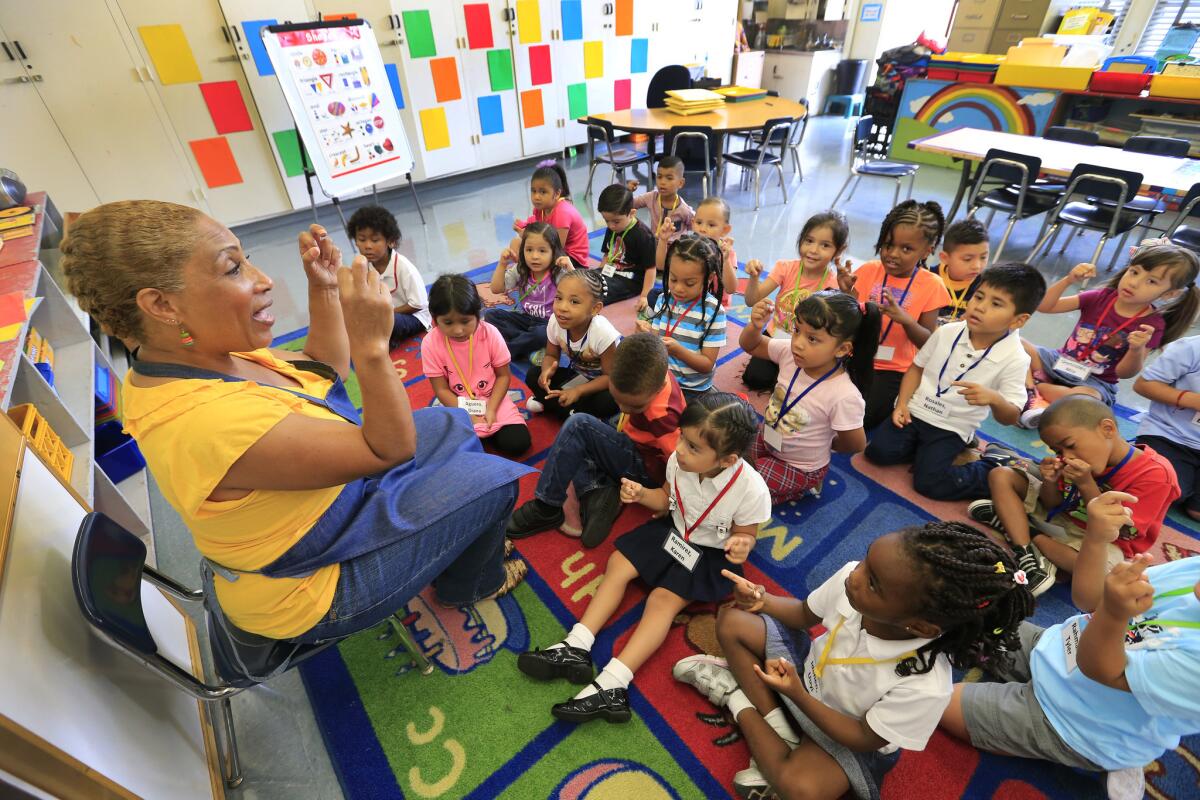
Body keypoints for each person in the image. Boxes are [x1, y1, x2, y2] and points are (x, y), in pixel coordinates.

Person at [62, 201, 530, 643]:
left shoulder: (200, 354)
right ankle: (469, 583)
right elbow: (388, 450)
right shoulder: (203, 419)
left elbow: (320, 369)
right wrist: (371, 346)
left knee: (450, 423)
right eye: (233, 268)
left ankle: (457, 529)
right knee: (493, 481)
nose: (263, 279)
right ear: (162, 305)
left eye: (245, 260)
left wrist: (324, 287)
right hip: (310, 587)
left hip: (331, 506)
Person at [674, 522, 1033, 799]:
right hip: (802, 675)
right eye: (865, 560)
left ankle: (738, 699)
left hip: (842, 732)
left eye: (873, 583)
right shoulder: (851, 579)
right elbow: (801, 614)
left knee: (802, 790)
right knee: (733, 621)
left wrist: (797, 695)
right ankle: (780, 733)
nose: (855, 575)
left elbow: (862, 738)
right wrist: (762, 600)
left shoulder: (926, 685)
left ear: (921, 625)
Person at [518, 394, 771, 725]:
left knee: (662, 600)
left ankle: (614, 683)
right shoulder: (678, 462)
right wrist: (641, 494)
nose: (680, 448)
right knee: (618, 564)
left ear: (727, 460)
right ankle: (576, 645)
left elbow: (746, 534)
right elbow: (665, 499)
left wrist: (741, 543)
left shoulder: (751, 489)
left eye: (694, 447)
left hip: (709, 554)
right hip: (674, 530)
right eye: (682, 437)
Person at [942, 491, 1200, 800]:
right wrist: (1095, 539)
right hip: (1055, 648)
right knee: (967, 613)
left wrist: (1114, 614)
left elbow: (1100, 669)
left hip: (1074, 724)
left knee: (936, 701)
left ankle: (1110, 755)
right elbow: (1089, 599)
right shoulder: (1192, 571)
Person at [865, 263, 1046, 501]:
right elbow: (917, 368)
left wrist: (993, 398)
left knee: (928, 484)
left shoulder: (1016, 358)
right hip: (916, 411)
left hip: (952, 425)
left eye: (996, 304)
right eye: (979, 296)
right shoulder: (947, 331)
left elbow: (1010, 416)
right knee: (877, 453)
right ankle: (929, 452)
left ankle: (992, 469)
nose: (980, 307)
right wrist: (902, 405)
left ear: (1018, 320)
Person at [969, 396, 1180, 595]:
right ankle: (1026, 551)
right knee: (1001, 476)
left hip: (1102, 539)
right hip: (1062, 519)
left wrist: (1086, 483)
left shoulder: (1156, 475)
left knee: (1106, 577)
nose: (1066, 456)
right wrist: (1050, 482)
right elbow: (1053, 504)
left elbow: (1119, 531)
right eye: (1058, 451)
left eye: (1070, 446)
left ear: (1108, 429)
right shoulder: (1073, 459)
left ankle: (1022, 532)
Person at [508, 333, 685, 547]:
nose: (624, 408)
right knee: (590, 426)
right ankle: (598, 491)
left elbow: (681, 461)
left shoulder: (663, 417)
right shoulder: (653, 373)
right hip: (633, 438)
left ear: (656, 390)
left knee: (578, 426)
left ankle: (547, 507)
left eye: (634, 406)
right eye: (619, 399)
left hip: (645, 468)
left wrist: (665, 498)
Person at [1019, 241, 1200, 428]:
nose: (1134, 282)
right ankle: (1041, 394)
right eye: (1134, 272)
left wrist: (1136, 350)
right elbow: (1045, 306)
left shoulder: (1152, 324)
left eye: (1151, 281)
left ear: (1169, 294)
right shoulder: (1100, 297)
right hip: (1058, 362)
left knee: (1086, 402)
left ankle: (1034, 389)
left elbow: (1124, 373)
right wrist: (1069, 280)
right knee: (1015, 342)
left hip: (1095, 381)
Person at [739, 290, 881, 505]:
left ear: (842, 349)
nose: (798, 343)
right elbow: (751, 345)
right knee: (728, 456)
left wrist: (824, 444)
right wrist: (756, 326)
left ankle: (804, 486)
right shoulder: (790, 353)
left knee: (742, 486)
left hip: (799, 467)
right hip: (767, 437)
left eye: (812, 338)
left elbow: (856, 443)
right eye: (797, 330)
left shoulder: (843, 395)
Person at [837, 200, 951, 431]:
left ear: (928, 250)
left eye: (906, 249)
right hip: (855, 355)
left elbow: (928, 342)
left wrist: (906, 320)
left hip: (894, 369)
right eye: (888, 245)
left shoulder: (932, 285)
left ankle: (903, 400)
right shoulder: (869, 270)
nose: (892, 254)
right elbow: (850, 320)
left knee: (861, 419)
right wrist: (846, 293)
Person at [422, 275, 531, 457]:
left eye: (465, 321)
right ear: (435, 319)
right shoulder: (430, 343)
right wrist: (467, 414)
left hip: (493, 399)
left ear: (478, 315)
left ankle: (486, 432)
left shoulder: (490, 333)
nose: (458, 330)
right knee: (448, 451)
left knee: (518, 443)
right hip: (457, 404)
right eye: (448, 322)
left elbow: (503, 376)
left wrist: (491, 409)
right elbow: (441, 389)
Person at [743, 211, 850, 391]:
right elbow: (751, 300)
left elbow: (844, 325)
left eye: (825, 245)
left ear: (838, 251)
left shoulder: (834, 283)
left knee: (803, 386)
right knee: (755, 378)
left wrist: (847, 292)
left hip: (809, 344)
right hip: (775, 338)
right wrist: (754, 278)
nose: (813, 250)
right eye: (809, 241)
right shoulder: (785, 268)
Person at [638, 234, 727, 401]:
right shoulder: (663, 299)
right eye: (673, 279)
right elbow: (655, 342)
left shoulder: (714, 312)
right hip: (660, 378)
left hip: (692, 388)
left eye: (689, 283)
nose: (678, 288)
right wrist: (645, 334)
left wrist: (680, 352)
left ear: (709, 278)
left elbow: (707, 364)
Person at [527, 269, 621, 421]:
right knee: (533, 374)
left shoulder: (603, 333)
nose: (562, 307)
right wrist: (546, 372)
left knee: (609, 400)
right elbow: (551, 355)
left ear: (595, 309)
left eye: (574, 302)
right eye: (559, 298)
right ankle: (571, 410)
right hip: (578, 376)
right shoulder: (555, 321)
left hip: (602, 384)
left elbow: (611, 378)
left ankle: (563, 407)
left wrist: (578, 391)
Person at [1134, 334, 1200, 520]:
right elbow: (1143, 385)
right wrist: (1191, 400)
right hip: (1169, 435)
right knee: (1165, 491)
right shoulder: (1191, 348)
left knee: (1197, 511)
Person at [347, 204, 431, 348]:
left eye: (375, 240)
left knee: (386, 322)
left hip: (413, 317)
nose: (367, 246)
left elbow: (417, 304)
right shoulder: (363, 265)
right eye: (361, 239)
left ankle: (385, 339)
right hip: (383, 315)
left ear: (391, 241)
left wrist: (385, 313)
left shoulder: (404, 268)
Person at [488, 221, 573, 362]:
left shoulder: (558, 273)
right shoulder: (521, 269)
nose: (534, 256)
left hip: (550, 324)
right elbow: (496, 288)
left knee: (541, 334)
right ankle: (528, 346)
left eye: (542, 251)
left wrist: (570, 269)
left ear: (554, 252)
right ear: (523, 251)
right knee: (492, 315)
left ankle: (507, 350)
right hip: (526, 319)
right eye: (529, 250)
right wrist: (502, 263)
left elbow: (583, 292)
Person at [509, 160, 590, 268]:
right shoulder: (541, 207)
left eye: (543, 192)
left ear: (556, 194)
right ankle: (524, 275)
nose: (536, 196)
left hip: (572, 259)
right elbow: (537, 225)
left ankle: (528, 275)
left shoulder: (562, 212)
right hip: (553, 250)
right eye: (534, 191)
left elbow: (556, 247)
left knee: (533, 251)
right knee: (516, 243)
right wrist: (524, 226)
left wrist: (526, 235)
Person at [595, 183, 657, 306]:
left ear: (632, 213)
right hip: (610, 272)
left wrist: (645, 296)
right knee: (584, 279)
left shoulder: (643, 235)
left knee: (598, 292)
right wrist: (599, 272)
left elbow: (651, 268)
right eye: (607, 221)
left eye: (616, 221)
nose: (611, 225)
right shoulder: (613, 228)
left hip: (630, 280)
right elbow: (607, 254)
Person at [670, 196, 738, 307]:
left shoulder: (727, 253)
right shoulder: (691, 247)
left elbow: (731, 288)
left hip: (715, 305)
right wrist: (663, 241)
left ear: (725, 230)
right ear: (692, 223)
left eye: (711, 225)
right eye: (699, 222)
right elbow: (660, 266)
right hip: (690, 297)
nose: (702, 229)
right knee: (654, 297)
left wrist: (725, 261)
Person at [929, 218, 988, 326]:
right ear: (945, 258)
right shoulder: (930, 277)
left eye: (983, 257)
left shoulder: (986, 285)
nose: (977, 266)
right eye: (967, 259)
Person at [627, 156, 694, 245]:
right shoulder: (651, 197)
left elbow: (696, 225)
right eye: (659, 177)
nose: (662, 182)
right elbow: (630, 204)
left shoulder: (685, 210)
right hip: (655, 244)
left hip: (675, 250)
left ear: (680, 183)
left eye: (669, 178)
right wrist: (628, 192)